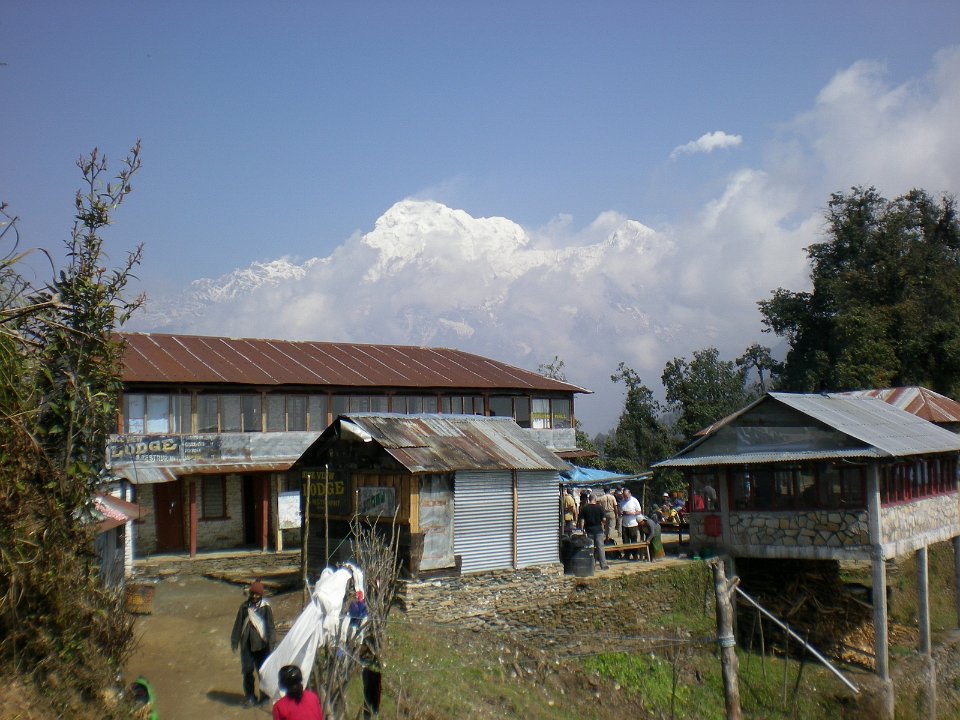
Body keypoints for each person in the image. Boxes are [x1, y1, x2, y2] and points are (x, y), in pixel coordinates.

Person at [231, 579, 276, 707]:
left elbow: (270, 627)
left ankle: (265, 696)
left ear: (261, 595)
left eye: (257, 594)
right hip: (246, 645)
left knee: (263, 671)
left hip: (262, 645)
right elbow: (238, 624)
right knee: (247, 671)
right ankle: (250, 696)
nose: (254, 596)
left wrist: (271, 643)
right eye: (253, 594)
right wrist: (234, 640)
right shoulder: (244, 607)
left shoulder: (266, 608)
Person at [577, 493, 608, 570]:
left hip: (589, 530)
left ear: (589, 499)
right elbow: (604, 519)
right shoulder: (599, 508)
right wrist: (603, 525)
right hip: (598, 530)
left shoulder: (584, 508)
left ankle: (591, 566)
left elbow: (582, 520)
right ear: (595, 499)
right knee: (600, 548)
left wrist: (582, 530)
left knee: (590, 549)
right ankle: (603, 565)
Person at [619, 488, 643, 560]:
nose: (625, 497)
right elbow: (619, 511)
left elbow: (639, 511)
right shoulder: (622, 502)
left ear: (630, 494)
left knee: (633, 540)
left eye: (626, 495)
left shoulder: (634, 500)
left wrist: (632, 513)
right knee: (625, 541)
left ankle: (635, 555)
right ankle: (627, 555)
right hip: (624, 524)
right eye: (624, 496)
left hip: (633, 524)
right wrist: (621, 512)